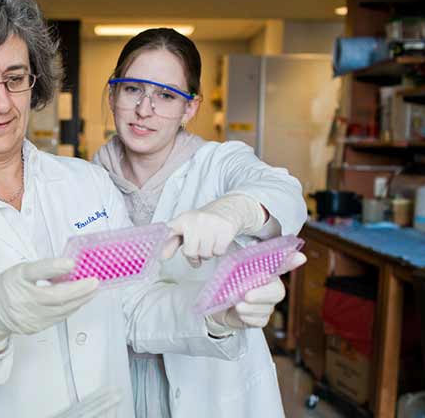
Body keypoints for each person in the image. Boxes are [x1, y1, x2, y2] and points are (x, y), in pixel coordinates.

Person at [0, 0, 306, 417]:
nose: (1, 103)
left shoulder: (87, 183)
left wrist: (216, 314)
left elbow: (134, 306)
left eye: (15, 79)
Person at [93, 28, 308, 418]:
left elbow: (283, 191)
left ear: (190, 108)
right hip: (116, 379)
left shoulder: (217, 164)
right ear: (112, 94)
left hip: (213, 386)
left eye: (166, 95)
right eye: (132, 90)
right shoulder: (85, 183)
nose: (145, 110)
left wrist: (231, 211)